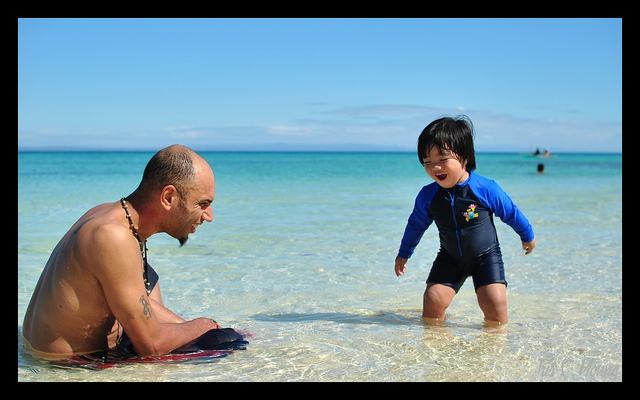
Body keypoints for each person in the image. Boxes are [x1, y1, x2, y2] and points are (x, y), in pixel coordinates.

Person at [23, 145, 244, 359]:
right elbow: (151, 345)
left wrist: (197, 328)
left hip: (62, 357)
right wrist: (204, 325)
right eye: (203, 203)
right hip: (72, 368)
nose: (209, 216)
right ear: (168, 197)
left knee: (150, 276)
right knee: (228, 342)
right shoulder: (113, 236)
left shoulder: (105, 213)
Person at [394, 116, 536, 326]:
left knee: (494, 302)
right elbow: (416, 225)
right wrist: (404, 253)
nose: (435, 168)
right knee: (433, 301)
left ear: (465, 157)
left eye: (443, 160)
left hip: (485, 257)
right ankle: (435, 345)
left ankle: (497, 346)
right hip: (449, 257)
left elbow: (510, 212)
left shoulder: (485, 188)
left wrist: (527, 235)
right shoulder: (428, 195)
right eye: (427, 162)